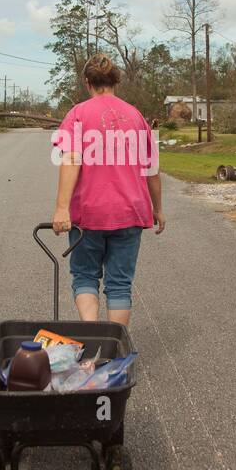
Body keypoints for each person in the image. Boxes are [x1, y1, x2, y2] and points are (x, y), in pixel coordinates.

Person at [51, 53, 164, 326]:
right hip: (131, 211)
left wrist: (62, 208)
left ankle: (92, 345)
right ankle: (114, 354)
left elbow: (71, 159)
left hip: (88, 214)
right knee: (120, 284)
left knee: (86, 277)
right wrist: (157, 209)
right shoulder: (136, 116)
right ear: (116, 81)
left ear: (88, 82)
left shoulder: (77, 114)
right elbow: (151, 169)